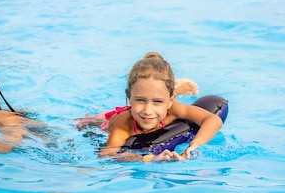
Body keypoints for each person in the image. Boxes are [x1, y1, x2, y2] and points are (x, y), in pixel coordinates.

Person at [81, 52, 224, 162]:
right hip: (108, 122)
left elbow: (213, 120)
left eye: (157, 101)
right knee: (86, 122)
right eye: (140, 100)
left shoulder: (173, 109)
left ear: (170, 101)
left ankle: (174, 89)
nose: (148, 111)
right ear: (129, 98)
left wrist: (193, 146)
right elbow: (107, 155)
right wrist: (148, 159)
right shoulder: (123, 125)